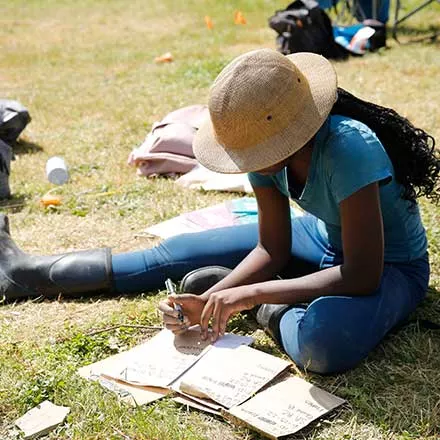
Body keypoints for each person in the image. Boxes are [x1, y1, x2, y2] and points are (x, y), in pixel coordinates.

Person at [1, 49, 438, 374]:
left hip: (391, 268)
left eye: (251, 152)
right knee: (173, 255)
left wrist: (249, 297)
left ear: (288, 134)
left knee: (322, 343)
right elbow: (273, 247)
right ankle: (25, 272)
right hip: (322, 237)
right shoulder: (262, 148)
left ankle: (277, 313)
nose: (243, 161)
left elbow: (362, 275)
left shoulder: (349, 147)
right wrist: (212, 301)